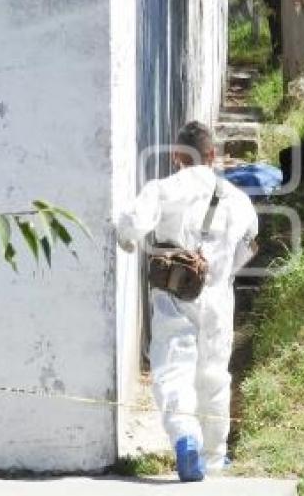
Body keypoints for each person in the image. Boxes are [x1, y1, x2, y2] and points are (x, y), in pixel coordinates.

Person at [117, 121, 259, 482]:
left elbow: (130, 225)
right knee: (213, 375)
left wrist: (129, 241)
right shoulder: (239, 200)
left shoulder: (162, 189)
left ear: (177, 156)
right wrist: (220, 270)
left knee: (172, 369)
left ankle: (185, 439)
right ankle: (214, 458)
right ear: (212, 156)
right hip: (217, 299)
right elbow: (249, 245)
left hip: (173, 295)